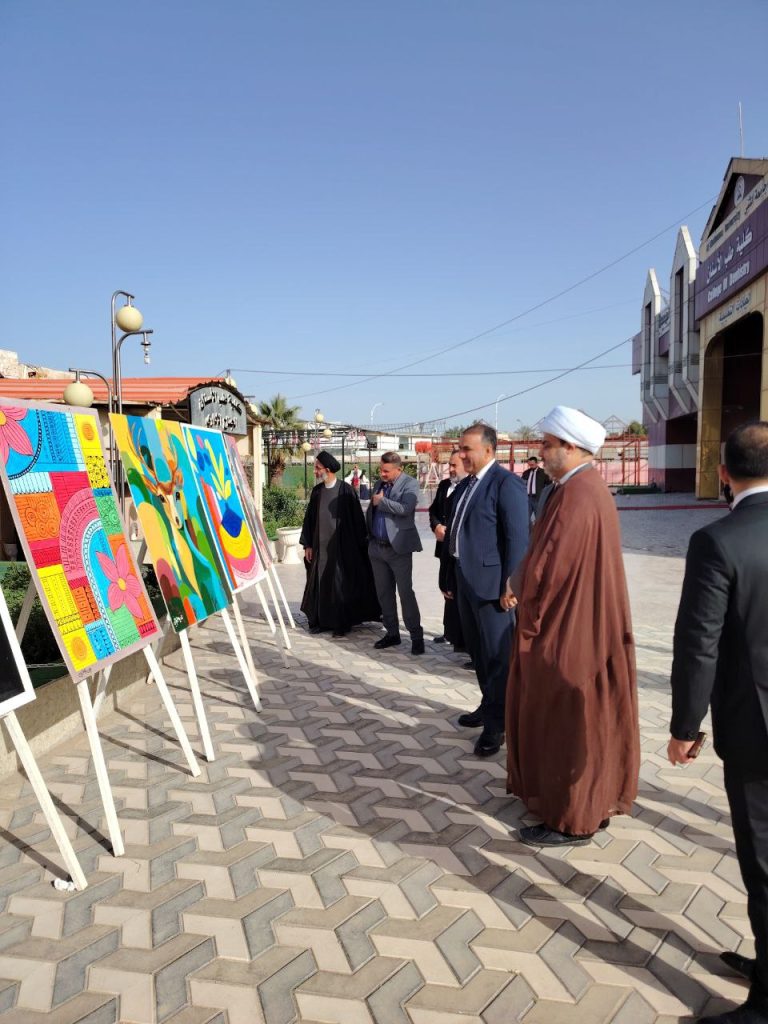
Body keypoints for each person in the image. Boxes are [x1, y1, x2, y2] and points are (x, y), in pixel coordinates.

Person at [668, 422, 768, 1024]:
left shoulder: (717, 540)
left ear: (723, 472)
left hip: (757, 731)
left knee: (763, 862)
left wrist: (685, 726)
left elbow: (698, 644)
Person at [505, 405, 639, 846]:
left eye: (547, 444)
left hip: (569, 629)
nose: (541, 452)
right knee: (583, 721)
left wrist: (518, 586)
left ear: (571, 446)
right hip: (581, 621)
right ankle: (589, 805)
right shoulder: (582, 488)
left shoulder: (578, 494)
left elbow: (549, 566)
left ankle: (571, 819)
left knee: (564, 719)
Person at [442, 423, 529, 757]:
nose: (461, 454)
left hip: (494, 589)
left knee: (497, 657)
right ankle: (488, 704)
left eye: (467, 449)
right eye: (460, 448)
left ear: (489, 450)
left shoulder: (506, 484)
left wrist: (512, 583)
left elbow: (517, 538)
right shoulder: (467, 485)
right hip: (466, 581)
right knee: (478, 652)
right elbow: (457, 533)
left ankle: (498, 726)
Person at [300, 451, 380, 637]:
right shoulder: (317, 492)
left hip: (342, 549)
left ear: (327, 470)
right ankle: (322, 621)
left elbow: (357, 520)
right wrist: (308, 545)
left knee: (339, 586)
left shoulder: (346, 490)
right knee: (321, 583)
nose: (315, 471)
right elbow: (309, 519)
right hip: (320, 548)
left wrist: (361, 546)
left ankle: (341, 623)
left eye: (317, 468)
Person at [366, 451, 424, 655]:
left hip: (398, 549)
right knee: (384, 593)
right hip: (377, 548)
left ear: (399, 469)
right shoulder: (379, 484)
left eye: (386, 471)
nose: (382, 474)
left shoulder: (410, 484)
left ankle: (416, 636)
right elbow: (372, 510)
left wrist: (381, 502)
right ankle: (392, 633)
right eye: (381, 470)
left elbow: (406, 509)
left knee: (406, 593)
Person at [428, 451, 466, 649]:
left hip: (460, 551)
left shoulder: (469, 488)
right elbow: (433, 510)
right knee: (446, 588)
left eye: (454, 465)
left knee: (458, 591)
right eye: (449, 465)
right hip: (443, 547)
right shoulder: (444, 485)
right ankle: (449, 631)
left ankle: (462, 637)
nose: (450, 469)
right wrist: (436, 526)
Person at [521, 455, 551, 521]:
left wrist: (545, 496)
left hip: (538, 499)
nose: (531, 466)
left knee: (539, 518)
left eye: (532, 464)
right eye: (529, 465)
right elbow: (521, 484)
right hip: (527, 499)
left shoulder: (543, 473)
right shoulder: (526, 473)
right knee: (525, 518)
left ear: (537, 463)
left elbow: (549, 485)